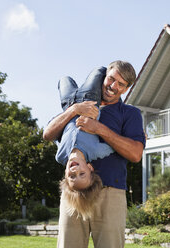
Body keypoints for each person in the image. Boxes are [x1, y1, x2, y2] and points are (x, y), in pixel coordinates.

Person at [43, 60, 145, 248]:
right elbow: (47, 133)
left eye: (120, 84)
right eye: (111, 79)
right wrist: (74, 110)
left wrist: (99, 128)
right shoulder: (78, 103)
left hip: (110, 192)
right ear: (104, 76)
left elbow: (136, 154)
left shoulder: (130, 114)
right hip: (73, 191)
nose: (113, 86)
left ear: (126, 89)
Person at [56, 67, 114, 220]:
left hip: (68, 104)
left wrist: (70, 112)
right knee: (100, 71)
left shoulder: (60, 156)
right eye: (81, 174)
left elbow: (58, 134)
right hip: (90, 98)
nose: (75, 170)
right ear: (89, 167)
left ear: (65, 175)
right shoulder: (96, 151)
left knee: (63, 79)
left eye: (72, 176)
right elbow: (114, 145)